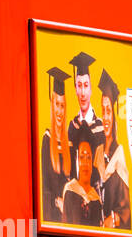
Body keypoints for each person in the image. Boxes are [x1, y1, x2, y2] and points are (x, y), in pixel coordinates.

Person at [97, 69, 132, 230]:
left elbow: (126, 210)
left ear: (114, 115)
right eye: (103, 111)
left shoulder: (120, 156)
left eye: (109, 111)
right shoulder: (97, 153)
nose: (105, 117)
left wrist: (115, 218)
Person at [67, 51, 106, 180]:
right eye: (79, 86)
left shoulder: (100, 128)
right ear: (75, 90)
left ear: (91, 89)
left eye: (86, 85)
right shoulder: (73, 127)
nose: (83, 93)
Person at [40, 66, 71, 221]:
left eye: (62, 105)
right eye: (56, 104)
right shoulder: (47, 140)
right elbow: (44, 184)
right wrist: (56, 203)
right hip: (53, 215)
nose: (59, 111)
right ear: (52, 105)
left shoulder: (69, 144)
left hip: (69, 213)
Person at [62, 138, 103, 227]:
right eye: (81, 157)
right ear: (76, 160)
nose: (85, 162)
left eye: (89, 158)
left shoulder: (96, 199)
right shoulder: (70, 190)